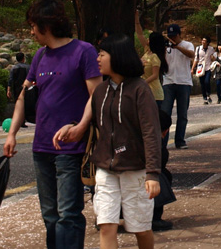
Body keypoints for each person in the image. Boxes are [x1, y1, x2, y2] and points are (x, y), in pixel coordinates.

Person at [3, 0, 101, 249]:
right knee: (50, 215)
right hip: (42, 147)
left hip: (70, 148)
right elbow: (24, 97)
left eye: (33, 25)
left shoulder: (83, 51)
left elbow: (96, 95)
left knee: (68, 214)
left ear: (46, 24)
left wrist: (80, 127)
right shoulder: (39, 56)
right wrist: (12, 133)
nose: (31, 31)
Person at [53, 34, 161, 249]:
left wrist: (153, 173)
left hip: (135, 169)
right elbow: (96, 125)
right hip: (105, 168)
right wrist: (72, 127)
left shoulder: (140, 89)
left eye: (102, 54)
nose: (98, 59)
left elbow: (151, 132)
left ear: (118, 57)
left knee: (140, 227)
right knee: (106, 224)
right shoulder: (100, 91)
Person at [162, 24, 195, 149]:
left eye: (174, 36)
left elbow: (191, 55)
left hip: (184, 82)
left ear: (179, 35)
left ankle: (180, 140)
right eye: (170, 36)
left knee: (182, 114)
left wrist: (178, 47)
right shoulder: (166, 47)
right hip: (168, 82)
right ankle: (163, 141)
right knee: (165, 113)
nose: (172, 39)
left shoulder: (187, 45)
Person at [194, 36, 216, 105]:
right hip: (200, 68)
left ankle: (208, 94)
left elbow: (215, 56)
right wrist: (192, 68)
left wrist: (213, 58)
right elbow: (196, 59)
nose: (203, 42)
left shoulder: (211, 49)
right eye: (202, 40)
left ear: (208, 42)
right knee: (202, 83)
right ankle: (204, 98)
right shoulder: (198, 48)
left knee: (207, 81)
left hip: (208, 67)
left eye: (205, 41)